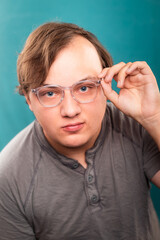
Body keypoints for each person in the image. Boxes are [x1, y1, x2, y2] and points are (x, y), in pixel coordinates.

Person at [0, 22, 160, 240]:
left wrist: (154, 118)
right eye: (50, 93)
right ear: (29, 99)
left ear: (105, 84)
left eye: (84, 88)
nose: (70, 110)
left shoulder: (134, 124)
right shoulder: (7, 178)